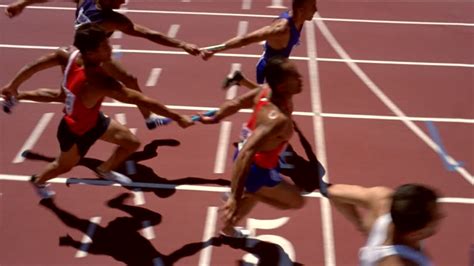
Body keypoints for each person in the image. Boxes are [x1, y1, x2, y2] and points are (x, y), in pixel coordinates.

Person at [1, 24, 194, 199]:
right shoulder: (99, 82)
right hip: (74, 132)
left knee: (131, 143)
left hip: (94, 120)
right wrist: (177, 117)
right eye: (105, 46)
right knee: (62, 167)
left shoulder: (67, 54)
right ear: (92, 53)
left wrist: (13, 85)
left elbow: (32, 67)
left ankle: (104, 169)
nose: (111, 49)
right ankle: (38, 180)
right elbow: (139, 98)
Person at [3, 0, 200, 129]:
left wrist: (23, 3)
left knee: (129, 80)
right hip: (89, 58)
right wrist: (23, 3)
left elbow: (148, 33)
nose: (123, 1)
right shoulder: (110, 18)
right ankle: (16, 94)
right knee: (63, 96)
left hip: (90, 54)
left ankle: (149, 120)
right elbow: (149, 34)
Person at [200, 56, 306, 237]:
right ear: (281, 86)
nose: (300, 79)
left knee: (258, 192)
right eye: (295, 77)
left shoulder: (265, 91)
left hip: (255, 158)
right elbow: (247, 152)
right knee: (296, 201)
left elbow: (236, 103)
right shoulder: (275, 120)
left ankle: (228, 228)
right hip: (255, 168)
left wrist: (216, 117)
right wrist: (234, 196)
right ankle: (249, 193)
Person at [201, 0, 317, 84]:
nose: (316, 9)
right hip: (268, 72)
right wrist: (213, 50)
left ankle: (240, 79)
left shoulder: (299, 19)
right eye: (313, 6)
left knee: (268, 102)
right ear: (301, 10)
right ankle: (240, 80)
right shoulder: (280, 29)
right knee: (268, 103)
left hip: (279, 68)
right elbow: (245, 39)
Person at [327, 183, 444, 265]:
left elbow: (333, 192)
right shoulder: (397, 262)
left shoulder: (383, 200)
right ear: (415, 234)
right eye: (435, 217)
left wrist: (360, 225)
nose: (441, 215)